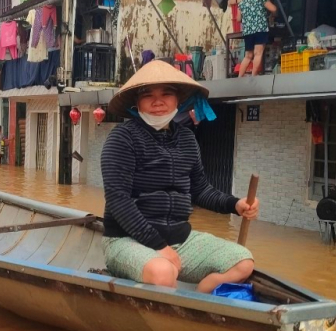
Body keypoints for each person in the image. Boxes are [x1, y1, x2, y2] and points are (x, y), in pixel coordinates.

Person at [101, 60, 260, 293]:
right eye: (148, 95)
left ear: (178, 100)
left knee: (242, 262)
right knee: (164, 272)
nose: (158, 102)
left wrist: (235, 204)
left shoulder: (186, 139)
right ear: (137, 102)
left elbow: (201, 190)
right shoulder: (122, 138)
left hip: (179, 239)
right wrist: (159, 247)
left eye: (166, 94)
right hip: (127, 239)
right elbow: (118, 201)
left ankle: (199, 305)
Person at [237, 0, 277, 78]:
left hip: (248, 31)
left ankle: (239, 77)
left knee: (248, 56)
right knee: (258, 53)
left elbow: (238, 19)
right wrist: (271, 14)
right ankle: (253, 76)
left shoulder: (242, 3)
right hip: (260, 29)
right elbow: (273, 9)